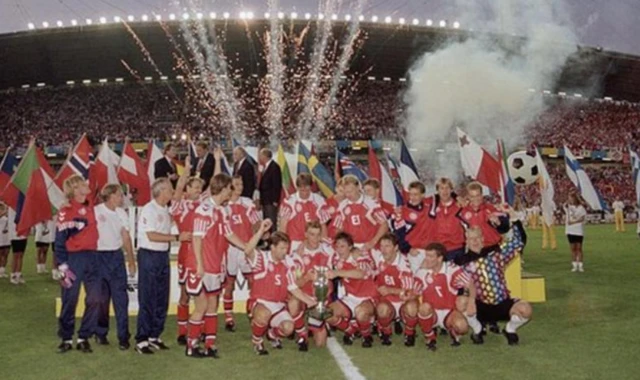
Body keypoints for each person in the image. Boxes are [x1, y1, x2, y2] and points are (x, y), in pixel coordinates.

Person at [186, 173, 249, 358]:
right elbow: (197, 238)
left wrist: (247, 247)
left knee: (213, 305)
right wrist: (199, 264)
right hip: (202, 266)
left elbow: (229, 235)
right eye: (230, 187)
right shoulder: (204, 210)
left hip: (216, 266)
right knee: (202, 306)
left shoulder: (222, 211)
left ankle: (210, 344)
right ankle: (191, 345)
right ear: (223, 189)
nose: (233, 191)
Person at [135, 178, 190, 354]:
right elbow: (151, 235)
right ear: (161, 191)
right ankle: (142, 339)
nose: (172, 193)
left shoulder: (165, 210)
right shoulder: (148, 210)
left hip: (162, 255)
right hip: (149, 255)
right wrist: (176, 238)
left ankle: (154, 335)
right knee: (148, 297)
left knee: (161, 297)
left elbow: (178, 206)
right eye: (170, 190)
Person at [245, 224, 317, 355]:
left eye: (287, 248)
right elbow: (248, 250)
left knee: (289, 328)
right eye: (282, 248)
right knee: (264, 314)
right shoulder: (262, 259)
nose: (285, 251)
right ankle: (257, 341)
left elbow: (293, 287)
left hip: (278, 305)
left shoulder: (287, 264)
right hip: (259, 302)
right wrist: (261, 231)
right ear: (272, 247)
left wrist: (310, 301)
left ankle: (272, 335)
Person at [461, 226, 532, 345]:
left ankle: (510, 329)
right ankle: (477, 329)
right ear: (466, 241)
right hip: (479, 306)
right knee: (461, 302)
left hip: (502, 303)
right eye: (471, 239)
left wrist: (515, 221)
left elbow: (519, 241)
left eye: (477, 238)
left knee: (526, 309)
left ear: (483, 239)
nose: (474, 241)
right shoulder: (460, 262)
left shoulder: (495, 254)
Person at [55, 175, 101, 353]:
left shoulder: (89, 206)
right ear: (74, 189)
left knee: (96, 298)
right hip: (73, 259)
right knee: (69, 299)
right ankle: (66, 338)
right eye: (82, 183)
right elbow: (59, 241)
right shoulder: (66, 211)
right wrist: (62, 265)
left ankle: (84, 336)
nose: (87, 184)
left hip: (93, 257)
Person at [93, 184, 136, 350]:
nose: (122, 198)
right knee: (102, 299)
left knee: (121, 298)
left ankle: (123, 336)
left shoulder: (121, 213)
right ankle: (100, 332)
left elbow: (126, 237)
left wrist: (131, 260)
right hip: (99, 257)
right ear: (110, 196)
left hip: (116, 258)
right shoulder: (96, 212)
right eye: (119, 195)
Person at [414, 242, 478, 351]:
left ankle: (453, 329)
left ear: (439, 258)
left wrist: (472, 302)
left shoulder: (451, 270)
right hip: (432, 312)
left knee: (462, 327)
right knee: (423, 307)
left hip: (449, 311)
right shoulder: (422, 271)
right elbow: (414, 291)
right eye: (426, 256)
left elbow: (470, 284)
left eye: (430, 256)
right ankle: (429, 336)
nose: (427, 259)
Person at [169, 160, 204, 345]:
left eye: (200, 187)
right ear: (187, 189)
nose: (198, 190)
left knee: (203, 293)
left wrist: (215, 161)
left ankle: (202, 328)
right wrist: (186, 172)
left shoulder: (205, 205)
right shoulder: (180, 205)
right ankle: (182, 331)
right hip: (186, 253)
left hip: (204, 254)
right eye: (195, 187)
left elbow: (217, 187)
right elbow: (178, 189)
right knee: (185, 293)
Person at [287, 221, 334, 351]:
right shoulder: (297, 255)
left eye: (318, 235)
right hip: (304, 296)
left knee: (320, 344)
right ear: (306, 234)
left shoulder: (329, 251)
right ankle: (302, 332)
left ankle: (318, 321)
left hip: (322, 296)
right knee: (292, 303)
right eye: (312, 234)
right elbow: (294, 284)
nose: (315, 238)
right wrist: (307, 277)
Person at [326, 232, 379, 348]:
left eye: (343, 246)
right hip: (350, 297)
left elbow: (361, 273)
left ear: (350, 247)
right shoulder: (334, 258)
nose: (339, 249)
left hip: (368, 296)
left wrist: (337, 273)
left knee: (360, 312)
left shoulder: (361, 255)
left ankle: (366, 335)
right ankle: (352, 329)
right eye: (337, 246)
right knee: (324, 313)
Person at [223, 175, 261, 332]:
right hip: (230, 250)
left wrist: (254, 240)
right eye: (237, 184)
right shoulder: (223, 206)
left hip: (246, 249)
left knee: (252, 281)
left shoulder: (247, 203)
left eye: (242, 183)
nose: (240, 186)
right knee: (229, 283)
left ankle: (252, 310)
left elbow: (256, 224)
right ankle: (228, 316)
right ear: (230, 187)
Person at [372, 233, 419, 347]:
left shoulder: (404, 264)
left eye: (387, 246)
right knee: (381, 309)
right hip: (387, 300)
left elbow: (409, 290)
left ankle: (409, 333)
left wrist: (390, 290)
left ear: (396, 247)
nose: (383, 250)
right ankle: (386, 331)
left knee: (412, 307)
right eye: (381, 246)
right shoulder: (378, 258)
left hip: (403, 300)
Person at [330, 175, 388, 251]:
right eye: (346, 192)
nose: (348, 195)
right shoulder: (342, 206)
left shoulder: (371, 203)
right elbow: (338, 229)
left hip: (370, 246)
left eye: (351, 191)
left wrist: (373, 242)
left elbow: (384, 225)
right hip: (352, 248)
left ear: (358, 187)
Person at [278, 173, 329, 251]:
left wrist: (324, 244)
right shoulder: (289, 202)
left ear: (311, 187)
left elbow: (323, 225)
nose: (305, 193)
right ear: (297, 188)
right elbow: (283, 226)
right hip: (295, 242)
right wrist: (283, 246)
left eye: (307, 190)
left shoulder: (319, 200)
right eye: (302, 190)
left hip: (314, 242)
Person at [460, 181, 510, 252]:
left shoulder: (490, 208)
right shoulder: (463, 213)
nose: (476, 199)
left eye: (478, 195)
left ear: (482, 195)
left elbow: (505, 228)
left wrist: (498, 222)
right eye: (472, 196)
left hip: (493, 247)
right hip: (475, 250)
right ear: (468, 197)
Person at [426, 178, 466, 262]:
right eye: (442, 188)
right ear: (438, 190)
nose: (445, 191)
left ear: (451, 190)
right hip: (440, 249)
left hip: (457, 247)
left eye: (447, 188)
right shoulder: (432, 204)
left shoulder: (460, 205)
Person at [258, 148, 282, 233]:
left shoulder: (274, 167)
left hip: (271, 200)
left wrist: (275, 200)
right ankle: (268, 239)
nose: (259, 157)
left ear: (265, 156)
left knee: (271, 221)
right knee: (266, 221)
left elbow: (277, 185)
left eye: (260, 155)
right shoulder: (265, 167)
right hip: (265, 200)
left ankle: (274, 239)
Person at [565, 193, 587, 272]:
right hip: (570, 231)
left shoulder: (581, 208)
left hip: (578, 230)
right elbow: (564, 205)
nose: (570, 200)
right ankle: (574, 265)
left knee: (579, 248)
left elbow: (582, 218)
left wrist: (574, 222)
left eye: (571, 198)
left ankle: (580, 265)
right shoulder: (568, 207)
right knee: (572, 248)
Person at [8, 207, 28, 285]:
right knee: (16, 254)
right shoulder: (11, 207)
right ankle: (13, 274)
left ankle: (18, 273)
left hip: (23, 232)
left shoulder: (23, 206)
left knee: (21, 254)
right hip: (15, 233)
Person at [0, 202, 10, 279]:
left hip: (7, 237)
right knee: (0, 254)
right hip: (0, 236)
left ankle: (3, 270)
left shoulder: (7, 213)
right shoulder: (3, 212)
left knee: (6, 253)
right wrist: (5, 210)